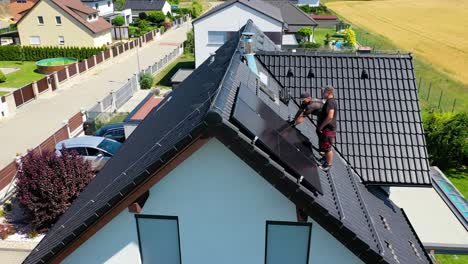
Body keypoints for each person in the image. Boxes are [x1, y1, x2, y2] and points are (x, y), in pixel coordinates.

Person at [316, 86, 337, 171]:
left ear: (328, 92)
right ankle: (325, 159)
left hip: (328, 129)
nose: (322, 93)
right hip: (328, 129)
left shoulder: (330, 102)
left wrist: (321, 126)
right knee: (325, 145)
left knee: (327, 147)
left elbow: (330, 116)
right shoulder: (330, 101)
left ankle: (328, 165)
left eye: (324, 92)